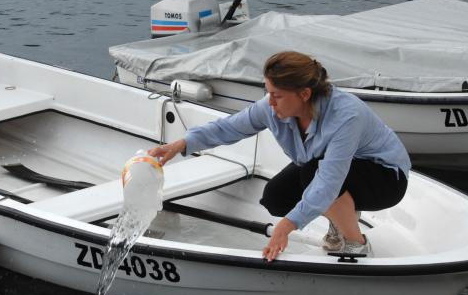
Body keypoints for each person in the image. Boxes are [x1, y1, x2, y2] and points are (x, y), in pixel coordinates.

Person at [148, 51, 411, 262]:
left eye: (276, 96)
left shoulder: (346, 115)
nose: (270, 103)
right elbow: (230, 127)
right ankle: (341, 215)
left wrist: (286, 228)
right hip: (334, 170)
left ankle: (356, 243)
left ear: (304, 94)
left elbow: (329, 181)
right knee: (275, 198)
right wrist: (181, 143)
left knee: (314, 176)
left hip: (386, 178)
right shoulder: (273, 107)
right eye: (268, 93)